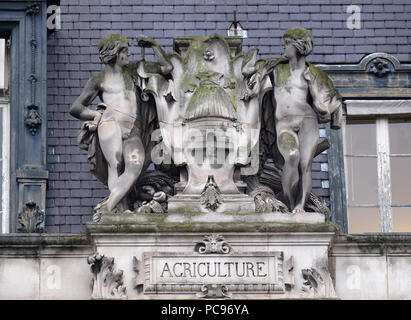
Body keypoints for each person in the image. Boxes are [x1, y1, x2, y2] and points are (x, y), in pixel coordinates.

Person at [70, 34, 144, 212]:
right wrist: (98, 114)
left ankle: (109, 207)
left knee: (135, 166)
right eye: (125, 50)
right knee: (115, 165)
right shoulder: (98, 80)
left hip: (132, 131)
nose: (128, 54)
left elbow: (166, 67)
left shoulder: (132, 72)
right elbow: (76, 108)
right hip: (110, 125)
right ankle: (118, 208)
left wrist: (154, 45)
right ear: (116, 53)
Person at [272, 27, 342, 213]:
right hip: (284, 122)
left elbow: (325, 107)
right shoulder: (277, 70)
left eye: (287, 44)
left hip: (308, 121)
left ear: (298, 46)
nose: (284, 48)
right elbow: (256, 88)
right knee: (292, 156)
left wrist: (312, 84)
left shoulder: (315, 74)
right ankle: (288, 202)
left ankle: (300, 206)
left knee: (306, 166)